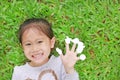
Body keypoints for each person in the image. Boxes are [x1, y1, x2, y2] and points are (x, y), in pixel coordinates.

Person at [12, 18, 80, 80]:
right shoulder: (19, 72)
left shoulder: (61, 63)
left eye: (39, 42)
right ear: (22, 47)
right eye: (28, 44)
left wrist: (69, 68)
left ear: (51, 42)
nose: (35, 49)